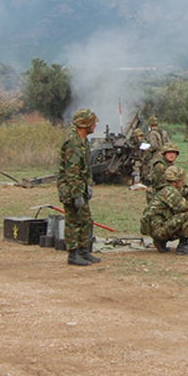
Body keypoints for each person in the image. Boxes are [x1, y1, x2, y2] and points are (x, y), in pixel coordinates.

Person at [58, 108, 102, 267]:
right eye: (92, 123)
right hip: (71, 188)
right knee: (73, 221)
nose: (94, 126)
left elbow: (86, 167)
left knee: (85, 220)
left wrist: (89, 184)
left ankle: (84, 250)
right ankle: (73, 253)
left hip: (80, 187)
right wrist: (76, 194)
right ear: (85, 124)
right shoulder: (73, 143)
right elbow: (72, 171)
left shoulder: (83, 141)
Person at [141, 165, 188, 256]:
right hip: (159, 231)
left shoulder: (166, 189)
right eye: (182, 180)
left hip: (157, 228)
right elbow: (182, 206)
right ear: (176, 181)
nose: (183, 182)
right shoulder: (169, 191)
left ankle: (161, 242)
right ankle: (183, 246)